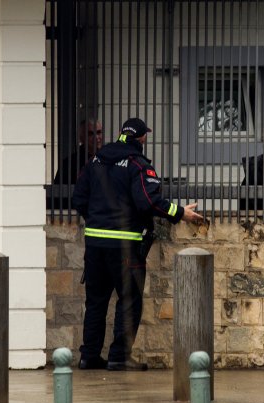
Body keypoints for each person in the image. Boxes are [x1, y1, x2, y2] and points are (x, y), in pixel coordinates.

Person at [73, 117, 203, 371]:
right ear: (142, 138)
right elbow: (148, 202)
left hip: (95, 244)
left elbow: (79, 198)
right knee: (129, 300)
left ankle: (89, 356)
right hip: (125, 246)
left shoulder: (97, 160)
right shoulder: (138, 164)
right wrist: (180, 213)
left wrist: (98, 221)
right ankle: (119, 356)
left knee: (96, 301)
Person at [53, 119, 103, 184]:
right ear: (81, 138)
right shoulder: (69, 164)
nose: (96, 137)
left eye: (99, 132)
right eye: (90, 134)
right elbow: (59, 191)